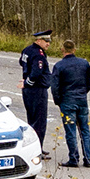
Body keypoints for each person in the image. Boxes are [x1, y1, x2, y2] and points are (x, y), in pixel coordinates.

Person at [51, 38, 90, 167]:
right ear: (74, 50)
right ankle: (87, 158)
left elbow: (55, 86)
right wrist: (83, 92)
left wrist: (58, 101)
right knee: (84, 130)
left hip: (67, 101)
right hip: (81, 100)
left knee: (70, 131)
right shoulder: (84, 63)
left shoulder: (59, 66)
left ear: (62, 50)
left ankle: (74, 158)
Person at [18, 28, 53, 156]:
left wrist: (26, 82)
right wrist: (28, 82)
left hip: (28, 91)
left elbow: (21, 62)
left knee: (31, 119)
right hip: (37, 90)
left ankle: (33, 148)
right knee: (39, 122)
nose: (48, 43)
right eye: (46, 41)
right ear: (38, 40)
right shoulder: (39, 54)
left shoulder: (27, 50)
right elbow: (36, 73)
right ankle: (37, 149)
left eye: (49, 41)